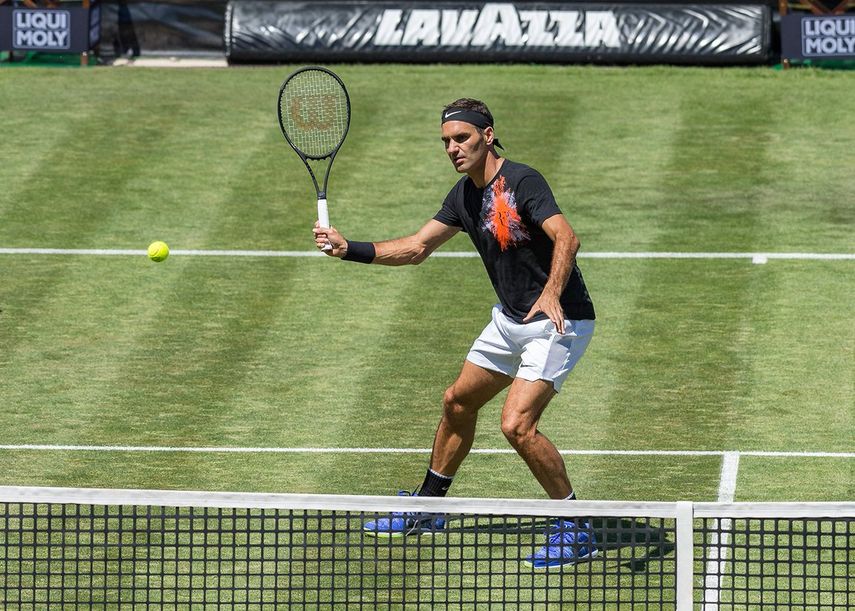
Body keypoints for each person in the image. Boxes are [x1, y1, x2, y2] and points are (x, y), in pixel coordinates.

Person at [312, 98, 596, 568]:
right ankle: (429, 507)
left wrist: (550, 294)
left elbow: (567, 237)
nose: (452, 148)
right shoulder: (464, 195)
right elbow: (416, 247)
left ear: (487, 136)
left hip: (558, 321)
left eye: (461, 138)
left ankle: (575, 526)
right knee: (457, 402)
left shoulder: (523, 181)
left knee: (516, 424)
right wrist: (348, 249)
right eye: (446, 141)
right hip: (511, 320)